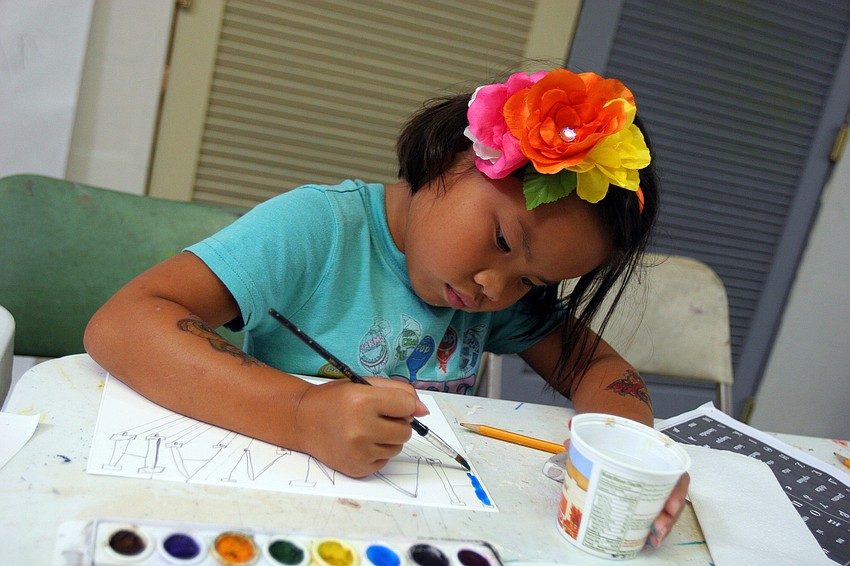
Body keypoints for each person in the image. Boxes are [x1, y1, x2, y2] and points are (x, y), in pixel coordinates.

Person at [85, 68, 688, 548]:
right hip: (276, 509)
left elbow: (604, 373)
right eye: (503, 241)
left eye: (530, 280)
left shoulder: (494, 297)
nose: (492, 289)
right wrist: (302, 413)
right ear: (454, 156)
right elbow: (125, 322)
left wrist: (626, 457)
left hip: (421, 525)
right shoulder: (318, 229)